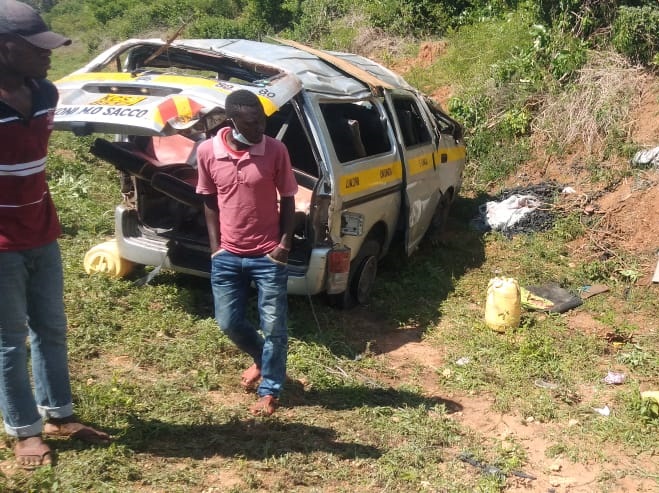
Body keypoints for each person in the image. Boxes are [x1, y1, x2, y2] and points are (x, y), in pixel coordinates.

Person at [0, 0, 110, 469]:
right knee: (9, 338)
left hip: (42, 231)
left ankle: (58, 415)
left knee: (51, 328)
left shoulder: (46, 93)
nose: (49, 56)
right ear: (6, 49)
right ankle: (24, 430)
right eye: (37, 48)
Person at [196, 89, 297, 416]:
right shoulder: (208, 152)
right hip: (227, 256)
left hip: (268, 256)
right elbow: (209, 199)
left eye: (262, 120)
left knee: (274, 327)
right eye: (252, 123)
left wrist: (284, 245)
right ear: (232, 121)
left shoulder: (276, 151)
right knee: (227, 321)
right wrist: (215, 248)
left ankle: (270, 390)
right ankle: (261, 359)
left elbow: (290, 199)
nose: (260, 128)